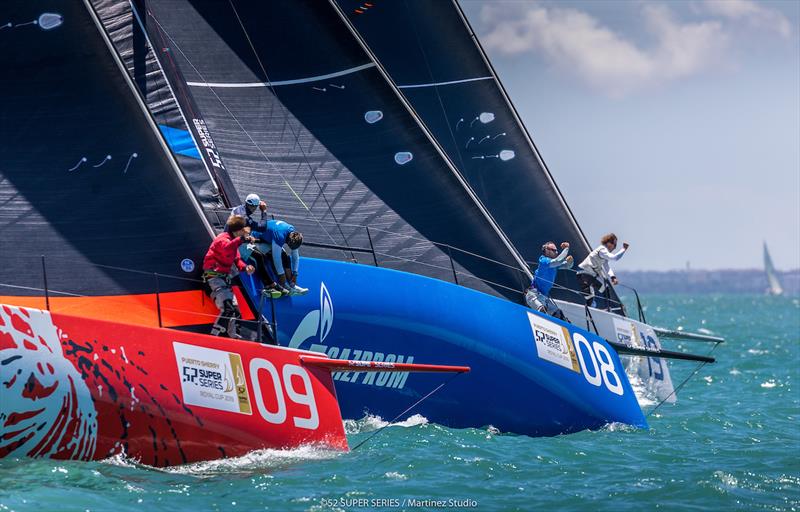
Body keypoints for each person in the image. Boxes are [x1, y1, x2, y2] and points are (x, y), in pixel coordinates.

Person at [202, 216, 256, 338]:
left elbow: (237, 260)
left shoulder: (233, 241)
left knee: (235, 310)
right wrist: (242, 239)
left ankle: (231, 336)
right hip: (213, 279)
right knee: (228, 309)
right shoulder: (222, 240)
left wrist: (245, 267)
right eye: (243, 231)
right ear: (238, 231)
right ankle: (213, 336)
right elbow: (227, 249)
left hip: (223, 280)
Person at [577, 233, 629, 307]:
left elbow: (606, 266)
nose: (614, 248)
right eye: (614, 244)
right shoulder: (602, 250)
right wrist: (624, 249)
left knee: (590, 298)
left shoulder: (603, 253)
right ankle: (608, 310)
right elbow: (615, 258)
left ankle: (588, 315)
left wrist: (613, 277)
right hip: (586, 274)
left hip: (581, 274)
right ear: (608, 243)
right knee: (606, 289)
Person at [525, 241, 573, 320]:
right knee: (541, 310)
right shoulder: (543, 260)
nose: (556, 252)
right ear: (546, 250)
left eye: (557, 250)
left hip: (544, 297)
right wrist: (566, 249)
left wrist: (570, 261)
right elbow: (558, 261)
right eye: (554, 250)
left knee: (559, 315)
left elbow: (568, 266)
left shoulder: (554, 265)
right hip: (534, 295)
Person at [262, 219, 308, 296]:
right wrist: (281, 275)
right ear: (289, 242)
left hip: (271, 238)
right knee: (273, 257)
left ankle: (292, 285)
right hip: (259, 239)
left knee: (285, 257)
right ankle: (284, 285)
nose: (293, 249)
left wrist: (295, 273)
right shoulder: (279, 236)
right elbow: (276, 258)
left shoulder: (292, 233)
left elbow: (295, 256)